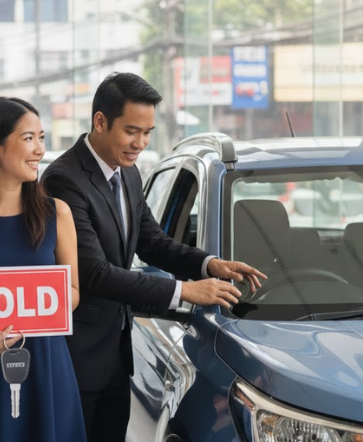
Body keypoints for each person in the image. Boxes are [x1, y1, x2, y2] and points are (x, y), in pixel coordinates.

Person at [42, 72, 266, 441]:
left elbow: (152, 242)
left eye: (147, 133)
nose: (141, 143)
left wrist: (207, 264)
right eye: (132, 131)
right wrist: (186, 292)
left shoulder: (127, 174)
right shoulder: (65, 180)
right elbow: (96, 273)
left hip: (116, 356)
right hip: (77, 360)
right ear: (100, 121)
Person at [0, 96, 86, 441]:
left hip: (46, 363)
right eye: (28, 138)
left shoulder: (56, 213)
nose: (40, 150)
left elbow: (74, 292)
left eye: (41, 138)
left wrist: (28, 309)